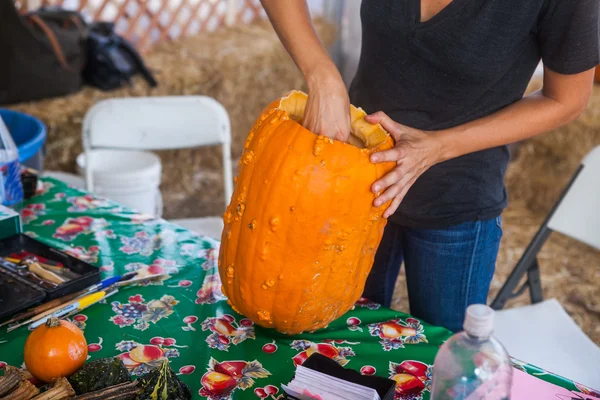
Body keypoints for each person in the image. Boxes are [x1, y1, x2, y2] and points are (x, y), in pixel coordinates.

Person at [260, 0, 599, 332]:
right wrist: (323, 76)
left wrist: (435, 148)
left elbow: (566, 99)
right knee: (329, 338)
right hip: (351, 182)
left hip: (457, 200)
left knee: (441, 359)